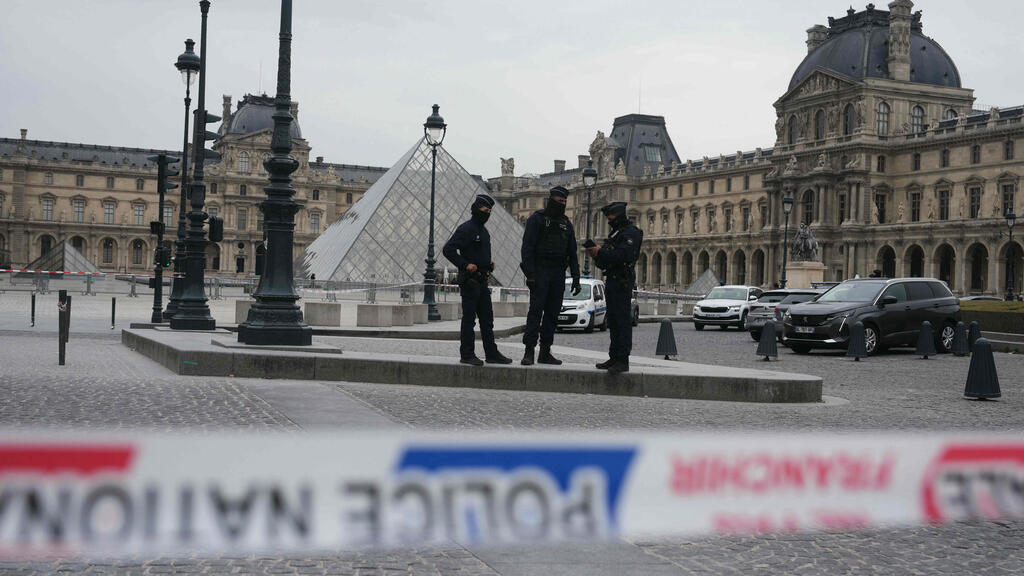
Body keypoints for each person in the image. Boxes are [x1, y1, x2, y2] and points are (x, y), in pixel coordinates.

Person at [442, 194, 513, 366]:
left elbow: (479, 254)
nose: (487, 213)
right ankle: (467, 354)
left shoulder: (484, 231)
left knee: (487, 320)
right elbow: (448, 249)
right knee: (469, 320)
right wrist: (465, 265)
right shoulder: (466, 228)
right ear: (476, 209)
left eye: (489, 211)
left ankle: (491, 353)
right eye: (484, 210)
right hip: (470, 281)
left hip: (482, 281)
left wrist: (489, 265)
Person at [519, 186, 581, 365]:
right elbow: (527, 249)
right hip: (540, 271)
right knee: (535, 312)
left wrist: (576, 277)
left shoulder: (566, 224)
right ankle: (529, 351)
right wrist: (530, 274)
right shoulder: (537, 219)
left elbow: (572, 252)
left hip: (558, 273)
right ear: (551, 199)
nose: (561, 204)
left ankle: (545, 350)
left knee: (553, 314)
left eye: (564, 202)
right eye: (559, 201)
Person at [586, 201, 643, 374]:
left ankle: (622, 359)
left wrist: (600, 252)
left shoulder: (631, 233)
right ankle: (614, 356)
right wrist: (596, 255)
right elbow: (607, 259)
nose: (609, 221)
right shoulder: (616, 232)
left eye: (611, 218)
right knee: (613, 320)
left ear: (619, 216)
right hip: (612, 278)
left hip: (622, 280)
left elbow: (624, 255)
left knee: (622, 321)